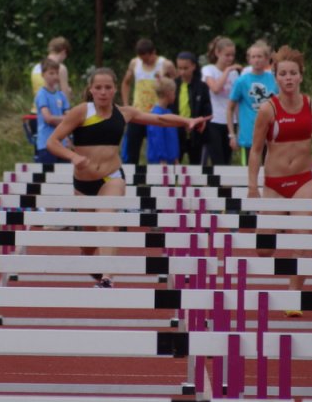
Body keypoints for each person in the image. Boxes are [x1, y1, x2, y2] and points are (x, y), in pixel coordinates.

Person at [47, 67, 210, 287]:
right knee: (90, 238)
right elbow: (53, 142)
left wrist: (186, 121)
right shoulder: (80, 112)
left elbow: (160, 118)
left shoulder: (124, 113)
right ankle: (88, 258)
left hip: (111, 177)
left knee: (107, 222)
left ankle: (107, 277)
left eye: (107, 87)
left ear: (115, 89)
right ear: (91, 90)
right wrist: (73, 157)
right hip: (83, 182)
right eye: (98, 87)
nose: (103, 92)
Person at [248, 45, 312, 317]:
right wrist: (253, 187)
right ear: (275, 77)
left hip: (303, 181)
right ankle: (279, 228)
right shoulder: (267, 109)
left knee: (302, 239)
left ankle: (293, 297)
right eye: (283, 74)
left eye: (293, 73)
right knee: (264, 249)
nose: (288, 78)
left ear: (301, 76)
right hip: (274, 184)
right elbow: (255, 150)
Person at [120, 38, 176, 164]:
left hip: (156, 115)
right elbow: (126, 83)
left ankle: (156, 180)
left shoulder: (165, 64)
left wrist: (163, 81)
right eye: (142, 59)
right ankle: (130, 180)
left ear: (153, 52)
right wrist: (126, 104)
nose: (145, 62)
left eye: (147, 59)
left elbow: (174, 84)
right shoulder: (135, 63)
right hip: (137, 114)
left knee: (157, 151)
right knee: (131, 150)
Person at [227, 41, 278, 165]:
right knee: (250, 174)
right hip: (249, 135)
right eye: (253, 57)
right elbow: (230, 108)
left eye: (260, 56)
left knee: (270, 173)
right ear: (249, 59)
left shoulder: (274, 79)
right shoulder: (242, 81)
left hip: (271, 135)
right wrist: (232, 134)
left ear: (267, 59)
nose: (256, 60)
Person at [202, 36, 242, 165]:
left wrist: (239, 123)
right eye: (227, 55)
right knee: (217, 160)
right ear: (217, 53)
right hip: (214, 120)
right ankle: (216, 185)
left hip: (230, 122)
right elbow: (215, 88)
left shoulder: (235, 74)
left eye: (232, 55)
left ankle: (226, 186)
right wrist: (227, 70)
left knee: (226, 159)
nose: (230, 59)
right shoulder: (209, 70)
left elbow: (235, 101)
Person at [171, 52, 212, 165]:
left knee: (196, 167)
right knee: (173, 167)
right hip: (176, 133)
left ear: (193, 66)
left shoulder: (202, 87)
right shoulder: (173, 85)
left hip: (196, 134)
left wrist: (199, 123)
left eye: (186, 68)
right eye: (179, 68)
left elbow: (207, 111)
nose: (182, 72)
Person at [34, 58, 70, 163]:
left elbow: (70, 117)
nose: (55, 76)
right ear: (43, 74)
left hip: (62, 144)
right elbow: (48, 118)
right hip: (46, 144)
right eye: (51, 73)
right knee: (47, 178)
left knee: (65, 177)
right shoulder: (42, 94)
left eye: (56, 73)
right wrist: (65, 120)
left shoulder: (61, 95)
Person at [147, 78, 179, 164]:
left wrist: (175, 157)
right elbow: (157, 139)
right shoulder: (156, 114)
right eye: (174, 92)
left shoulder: (169, 112)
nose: (175, 95)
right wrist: (162, 159)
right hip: (159, 162)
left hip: (171, 160)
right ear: (168, 93)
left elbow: (172, 138)